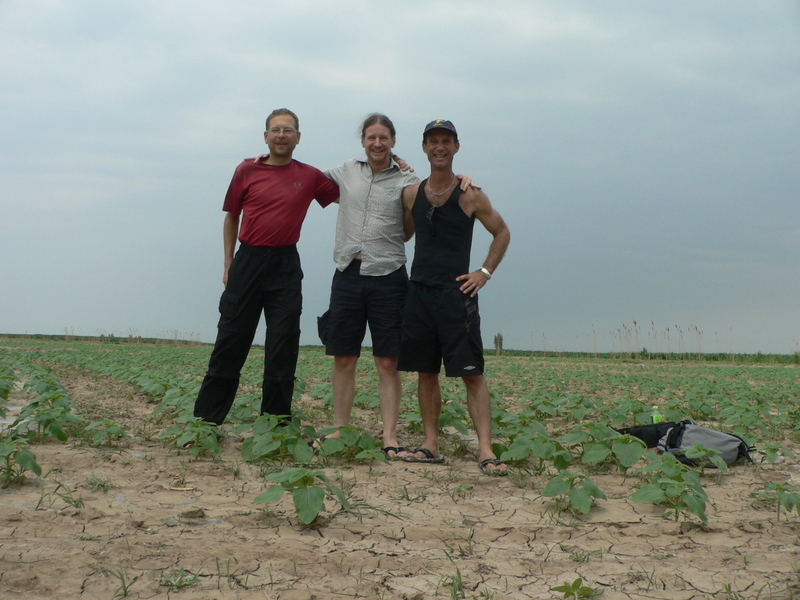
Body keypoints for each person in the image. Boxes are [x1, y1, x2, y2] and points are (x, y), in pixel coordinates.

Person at [315, 114, 477, 459]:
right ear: (362, 141)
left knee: (388, 361)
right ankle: (340, 429)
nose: (377, 143)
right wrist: (269, 162)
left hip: (389, 276)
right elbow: (306, 179)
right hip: (348, 272)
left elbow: (435, 195)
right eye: (371, 137)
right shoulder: (345, 171)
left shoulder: (408, 180)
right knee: (344, 357)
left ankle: (389, 436)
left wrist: (463, 178)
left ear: (393, 141)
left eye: (384, 138)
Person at [193, 108, 339, 426]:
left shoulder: (311, 176)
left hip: (286, 264)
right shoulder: (246, 170)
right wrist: (229, 262)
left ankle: (275, 425)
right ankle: (205, 422)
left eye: (288, 130)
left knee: (283, 344)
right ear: (266, 136)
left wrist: (398, 171)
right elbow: (231, 216)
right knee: (231, 340)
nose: (282, 135)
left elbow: (353, 194)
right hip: (247, 261)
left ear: (298, 137)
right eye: (276, 130)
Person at [397, 119, 511, 475]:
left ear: (456, 147)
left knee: (472, 374)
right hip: (419, 292)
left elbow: (502, 232)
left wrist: (484, 273)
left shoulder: (471, 195)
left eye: (446, 141)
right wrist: (401, 171)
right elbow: (404, 233)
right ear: (424, 148)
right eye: (433, 141)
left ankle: (485, 448)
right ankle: (430, 444)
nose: (439, 147)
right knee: (425, 372)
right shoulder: (412, 194)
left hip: (456, 294)